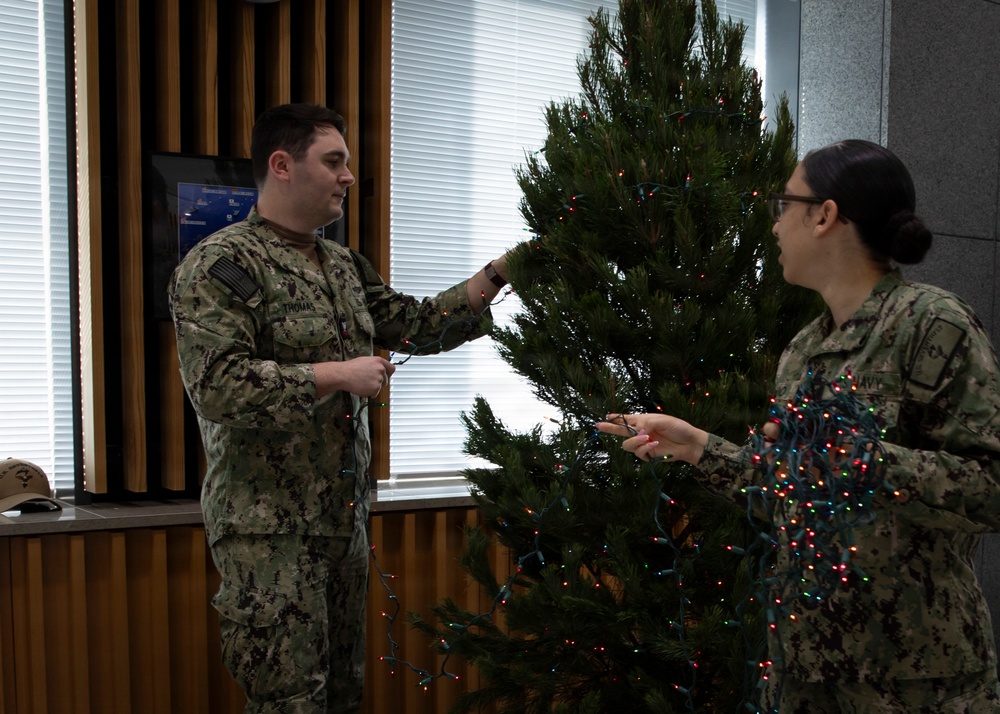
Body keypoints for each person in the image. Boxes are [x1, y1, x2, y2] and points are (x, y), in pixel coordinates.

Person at [597, 140, 1000, 713]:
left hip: (913, 678)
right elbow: (792, 492)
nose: (774, 225)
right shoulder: (803, 352)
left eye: (783, 204)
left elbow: (991, 487)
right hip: (806, 670)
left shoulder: (931, 324)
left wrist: (861, 460)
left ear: (824, 215)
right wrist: (698, 448)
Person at [169, 103, 513, 713]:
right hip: (267, 533)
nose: (348, 176)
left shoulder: (343, 265)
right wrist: (337, 375)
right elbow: (219, 386)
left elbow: (418, 326)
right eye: (334, 162)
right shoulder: (221, 265)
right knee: (290, 703)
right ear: (282, 165)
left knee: (343, 695)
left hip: (342, 526)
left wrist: (500, 272)